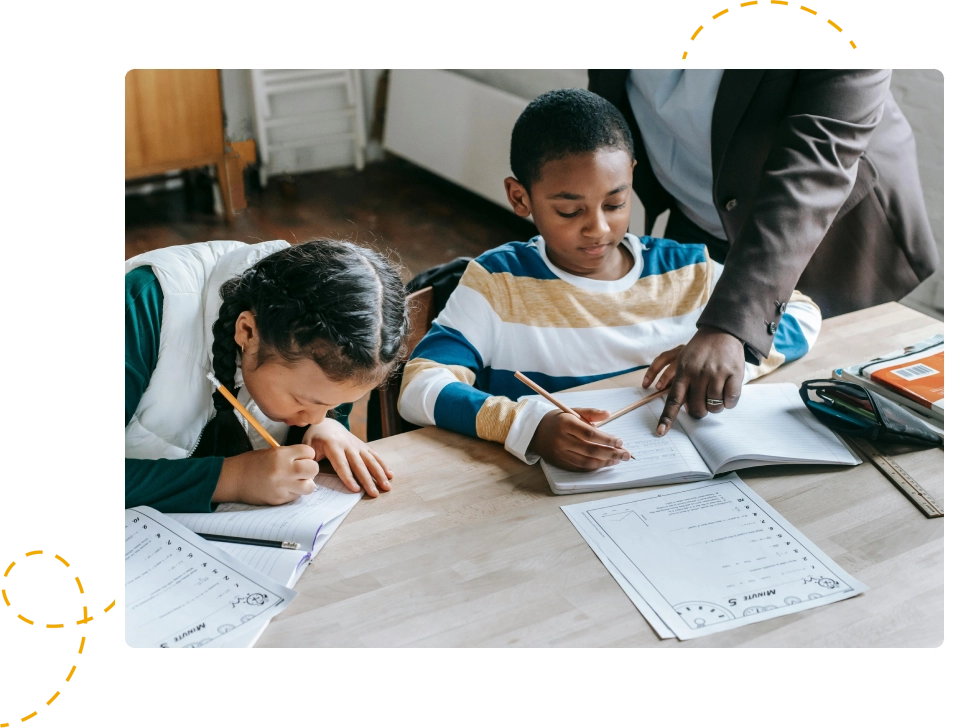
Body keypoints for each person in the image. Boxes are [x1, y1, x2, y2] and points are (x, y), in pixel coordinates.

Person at [397, 89, 821, 471]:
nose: (598, 228)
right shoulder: (498, 283)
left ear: (632, 175)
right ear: (520, 197)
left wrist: (728, 358)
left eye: (615, 203)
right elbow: (421, 384)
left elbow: (802, 312)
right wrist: (527, 425)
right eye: (570, 211)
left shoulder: (685, 268)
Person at [588, 69, 938, 436]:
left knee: (829, 411)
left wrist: (729, 325)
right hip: (692, 209)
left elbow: (814, 168)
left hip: (829, 235)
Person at [125, 238, 408, 512]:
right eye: (303, 400)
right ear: (246, 332)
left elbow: (317, 414)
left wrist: (325, 429)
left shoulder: (337, 345)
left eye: (331, 405)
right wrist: (231, 479)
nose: (315, 416)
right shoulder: (138, 307)